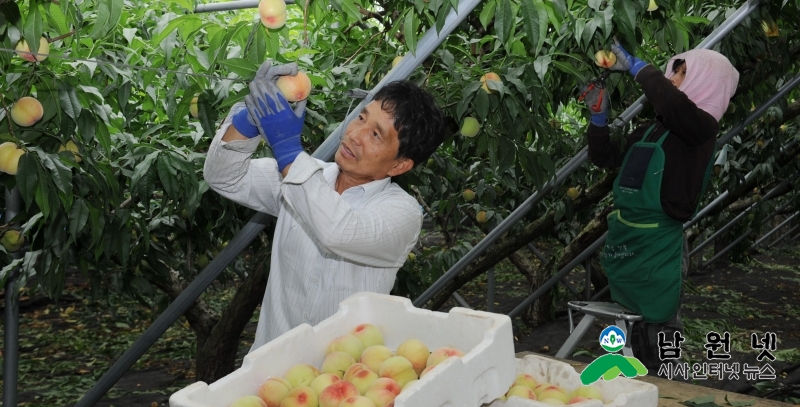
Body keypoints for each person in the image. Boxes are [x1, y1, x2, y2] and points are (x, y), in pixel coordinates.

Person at [203, 60, 445, 351]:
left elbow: (338, 231)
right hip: (273, 371)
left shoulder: (401, 213)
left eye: (376, 134)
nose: (355, 135)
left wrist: (288, 150)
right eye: (361, 118)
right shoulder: (302, 178)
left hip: (346, 380)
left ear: (400, 164)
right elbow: (223, 177)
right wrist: (247, 122)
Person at [581, 41, 739, 367]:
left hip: (660, 246)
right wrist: (598, 119)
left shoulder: (700, 130)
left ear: (707, 83)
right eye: (674, 71)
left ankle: (667, 395)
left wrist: (639, 67)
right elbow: (605, 156)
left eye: (683, 74)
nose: (673, 79)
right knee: (627, 331)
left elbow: (676, 108)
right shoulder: (652, 130)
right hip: (628, 240)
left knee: (660, 335)